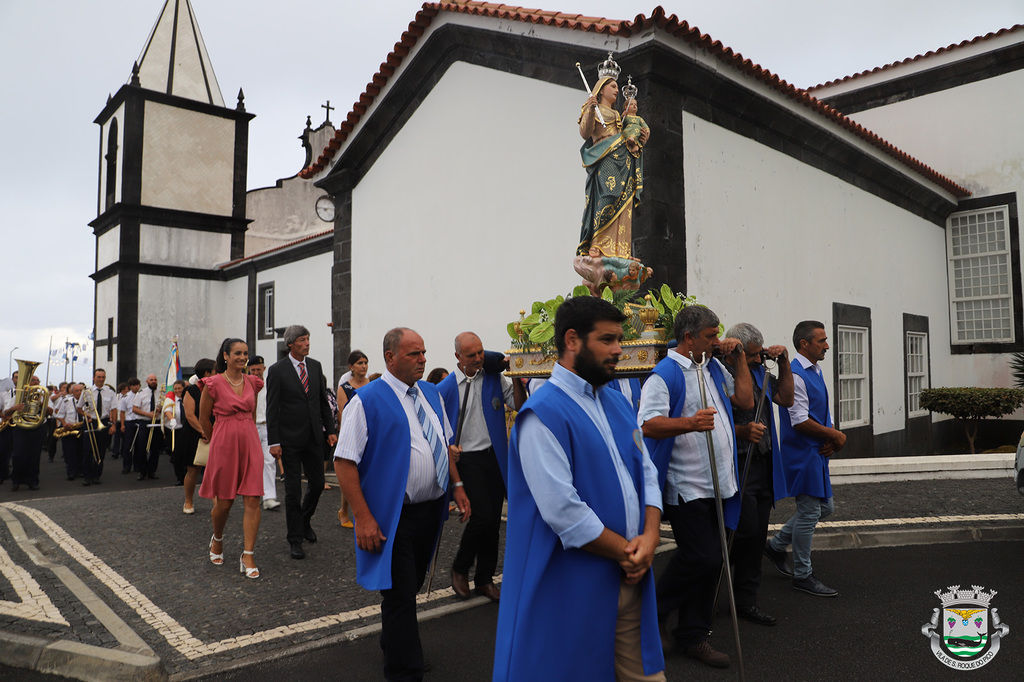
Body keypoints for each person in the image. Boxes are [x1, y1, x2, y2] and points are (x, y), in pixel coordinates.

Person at [494, 296, 664, 681]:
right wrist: (628, 551)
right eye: (607, 340)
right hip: (572, 584)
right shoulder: (542, 414)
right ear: (572, 340)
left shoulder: (617, 404)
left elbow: (647, 474)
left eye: (620, 339)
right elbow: (563, 510)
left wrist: (650, 537)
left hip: (630, 575)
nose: (619, 350)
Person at [335, 327, 470, 682]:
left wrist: (456, 485)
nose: (423, 360)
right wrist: (362, 517)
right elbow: (344, 461)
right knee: (398, 594)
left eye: (424, 353)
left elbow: (444, 444)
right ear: (390, 357)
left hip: (430, 511)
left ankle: (394, 641)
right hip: (394, 515)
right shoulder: (367, 400)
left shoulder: (430, 393)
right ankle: (404, 669)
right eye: (414, 354)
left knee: (408, 586)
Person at [638, 304, 753, 669]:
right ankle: (653, 612)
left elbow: (746, 401)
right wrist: (689, 423)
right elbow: (649, 425)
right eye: (710, 336)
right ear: (689, 338)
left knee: (712, 563)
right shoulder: (665, 374)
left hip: (719, 482)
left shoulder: (711, 366)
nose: (716, 341)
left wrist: (739, 359)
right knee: (703, 557)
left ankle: (694, 634)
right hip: (686, 484)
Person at [437, 333, 525, 602]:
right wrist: (447, 448)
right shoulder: (447, 388)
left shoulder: (493, 378)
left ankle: (485, 579)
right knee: (482, 516)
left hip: (494, 456)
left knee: (493, 520)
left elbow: (519, 405)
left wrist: (518, 378)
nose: (478, 359)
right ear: (457, 357)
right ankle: (460, 568)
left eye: (480, 353)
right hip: (467, 459)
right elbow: (437, 429)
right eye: (471, 355)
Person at [765, 320, 846, 597]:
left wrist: (831, 435)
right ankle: (803, 574)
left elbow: (821, 408)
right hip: (802, 452)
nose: (826, 345)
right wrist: (835, 436)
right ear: (804, 344)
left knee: (826, 508)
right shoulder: (797, 374)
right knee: (811, 510)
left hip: (815, 451)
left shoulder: (815, 369)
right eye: (821, 341)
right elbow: (799, 420)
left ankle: (775, 546)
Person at [721, 323, 794, 626]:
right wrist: (741, 431)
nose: (757, 360)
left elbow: (787, 399)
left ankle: (746, 600)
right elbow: (724, 418)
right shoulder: (722, 375)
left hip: (763, 464)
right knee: (743, 531)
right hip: (737, 465)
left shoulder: (763, 374)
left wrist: (784, 361)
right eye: (751, 355)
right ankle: (716, 588)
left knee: (756, 534)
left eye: (759, 354)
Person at [199, 338, 268, 579]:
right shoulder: (213, 384)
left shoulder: (253, 382)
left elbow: (250, 412)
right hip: (224, 444)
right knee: (224, 504)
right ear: (226, 356)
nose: (242, 357)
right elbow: (204, 417)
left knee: (253, 498)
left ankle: (248, 553)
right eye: (237, 353)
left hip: (249, 442)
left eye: (245, 353)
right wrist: (215, 438)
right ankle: (217, 537)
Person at [267, 325, 337, 560]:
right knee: (293, 491)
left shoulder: (315, 367)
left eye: (308, 339)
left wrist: (330, 429)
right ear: (291, 344)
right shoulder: (277, 370)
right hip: (289, 440)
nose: (307, 343)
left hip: (314, 438)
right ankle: (294, 539)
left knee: (317, 485)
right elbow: (272, 408)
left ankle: (304, 520)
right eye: (302, 340)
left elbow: (322, 401)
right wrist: (274, 441)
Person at [577, 64, 649, 259]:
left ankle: (620, 251)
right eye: (613, 87)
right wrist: (591, 109)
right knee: (609, 195)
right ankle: (598, 245)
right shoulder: (591, 107)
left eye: (617, 87)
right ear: (601, 89)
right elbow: (585, 132)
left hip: (623, 160)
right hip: (604, 156)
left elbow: (627, 137)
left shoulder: (618, 115)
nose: (617, 90)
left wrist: (640, 140)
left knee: (623, 202)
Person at [336, 350, 370, 527]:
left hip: (370, 434)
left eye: (365, 363)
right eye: (359, 363)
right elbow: (343, 415)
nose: (363, 366)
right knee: (350, 475)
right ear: (351, 367)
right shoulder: (345, 388)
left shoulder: (372, 384)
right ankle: (344, 510)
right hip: (351, 435)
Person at [181, 359, 215, 514]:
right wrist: (203, 431)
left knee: (216, 469)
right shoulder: (192, 390)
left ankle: (216, 500)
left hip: (215, 432)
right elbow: (189, 415)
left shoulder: (216, 389)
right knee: (193, 469)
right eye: (215, 370)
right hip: (195, 434)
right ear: (207, 373)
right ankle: (188, 500)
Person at [247, 356, 279, 511]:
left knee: (269, 461)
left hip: (267, 426)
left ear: (264, 369)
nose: (256, 372)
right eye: (253, 370)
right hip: (250, 428)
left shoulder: (270, 385)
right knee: (251, 463)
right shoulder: (245, 385)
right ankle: (252, 493)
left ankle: (269, 497)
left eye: (258, 369)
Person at [9, 375, 51, 491]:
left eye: (38, 380)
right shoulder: (19, 395)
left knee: (34, 456)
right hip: (21, 427)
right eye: (33, 380)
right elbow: (6, 411)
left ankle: (32, 480)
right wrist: (15, 408)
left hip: (38, 427)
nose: (36, 382)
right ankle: (16, 480)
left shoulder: (44, 396)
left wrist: (43, 405)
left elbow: (51, 412)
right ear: (28, 382)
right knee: (18, 455)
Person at [78, 368, 117, 486]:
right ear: (94, 378)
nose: (101, 379)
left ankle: (96, 475)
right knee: (88, 450)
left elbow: (114, 409)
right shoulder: (86, 391)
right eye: (98, 377)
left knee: (101, 450)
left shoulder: (110, 392)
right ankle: (87, 476)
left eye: (103, 377)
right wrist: (86, 415)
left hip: (104, 422)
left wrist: (114, 425)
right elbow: (79, 408)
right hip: (91, 422)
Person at [131, 373, 163, 480]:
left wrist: (160, 409)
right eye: (151, 380)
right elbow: (134, 409)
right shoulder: (141, 393)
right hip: (144, 423)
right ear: (147, 381)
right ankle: (142, 471)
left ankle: (152, 471)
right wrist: (148, 414)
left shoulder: (161, 393)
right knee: (142, 448)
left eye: (155, 379)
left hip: (157, 423)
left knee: (155, 449)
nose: (153, 381)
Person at [55, 383, 85, 481]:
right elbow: (59, 415)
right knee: (70, 452)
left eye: (81, 390)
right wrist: (64, 424)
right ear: (72, 392)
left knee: (81, 451)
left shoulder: (87, 401)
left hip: (82, 428)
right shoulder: (66, 401)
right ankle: (71, 472)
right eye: (77, 391)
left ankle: (81, 470)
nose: (79, 393)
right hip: (70, 429)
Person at [163, 379, 187, 485]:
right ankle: (180, 477)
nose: (177, 390)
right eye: (175, 388)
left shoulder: (187, 398)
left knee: (185, 454)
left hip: (185, 429)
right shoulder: (170, 399)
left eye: (179, 388)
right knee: (176, 454)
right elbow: (167, 410)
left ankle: (187, 476)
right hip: (173, 430)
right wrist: (172, 418)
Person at [120, 378, 141, 472]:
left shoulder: (142, 395)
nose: (136, 387)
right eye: (134, 385)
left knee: (139, 445)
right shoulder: (126, 397)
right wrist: (122, 425)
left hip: (139, 421)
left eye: (138, 385)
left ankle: (137, 466)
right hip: (129, 422)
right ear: (130, 386)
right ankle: (126, 466)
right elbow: (122, 412)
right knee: (127, 445)